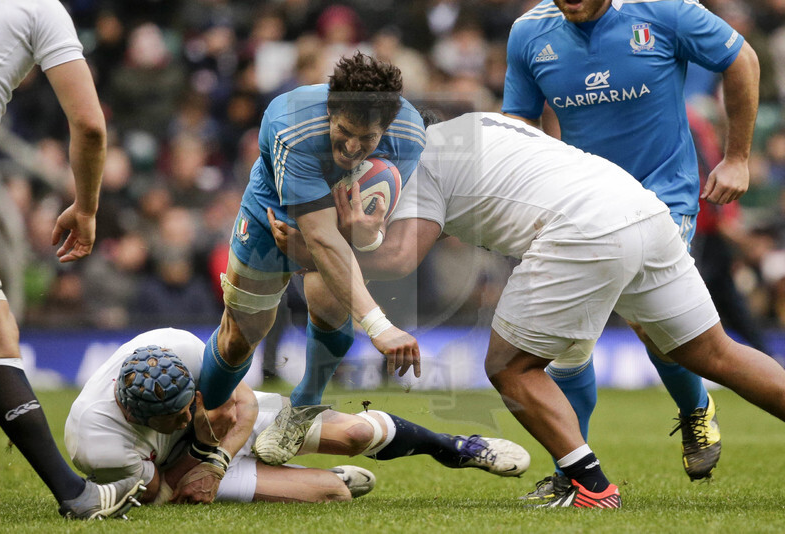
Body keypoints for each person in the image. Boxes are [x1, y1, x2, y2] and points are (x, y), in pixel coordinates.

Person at [272, 112, 785, 508]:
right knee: (716, 353)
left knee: (510, 367)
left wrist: (314, 248)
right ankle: (581, 478)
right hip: (642, 209)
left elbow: (400, 259)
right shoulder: (480, 123)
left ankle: (591, 487)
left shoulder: (416, 163)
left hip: (583, 229)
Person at [501, 0, 760, 491]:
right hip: (581, 205)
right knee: (564, 343)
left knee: (653, 326)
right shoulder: (529, 32)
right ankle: (571, 475)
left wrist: (737, 158)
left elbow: (740, 58)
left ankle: (694, 408)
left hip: (663, 198)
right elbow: (518, 124)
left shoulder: (664, 11)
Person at [199, 52, 426, 467]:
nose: (353, 148)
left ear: (387, 128)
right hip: (271, 214)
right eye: (344, 132)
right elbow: (319, 238)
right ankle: (201, 415)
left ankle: (303, 406)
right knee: (239, 337)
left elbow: (369, 223)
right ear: (329, 111)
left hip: (337, 217)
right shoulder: (292, 123)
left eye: (368, 139)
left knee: (331, 300)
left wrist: (367, 238)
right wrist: (379, 326)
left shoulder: (409, 135)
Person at [0, 0, 145, 519]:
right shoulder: (40, 9)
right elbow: (90, 125)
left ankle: (73, 493)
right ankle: (75, 495)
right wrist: (88, 208)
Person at [64, 328, 530, 504]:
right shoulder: (98, 443)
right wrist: (199, 460)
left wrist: (216, 458)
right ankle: (319, 476)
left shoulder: (176, 348)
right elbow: (158, 493)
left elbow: (243, 404)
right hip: (179, 467)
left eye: (191, 402)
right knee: (332, 494)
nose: (188, 414)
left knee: (355, 433)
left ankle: (453, 447)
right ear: (139, 417)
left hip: (222, 436)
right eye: (176, 416)